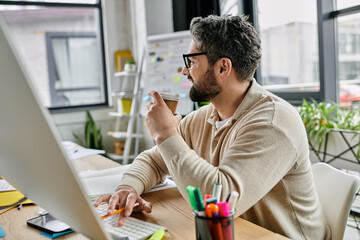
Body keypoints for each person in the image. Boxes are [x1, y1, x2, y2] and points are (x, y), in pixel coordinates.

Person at [95, 15, 331, 239]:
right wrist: (128, 187)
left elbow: (221, 202)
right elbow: (154, 161)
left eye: (192, 61)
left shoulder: (273, 123)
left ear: (222, 68)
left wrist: (166, 134)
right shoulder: (205, 116)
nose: (185, 70)